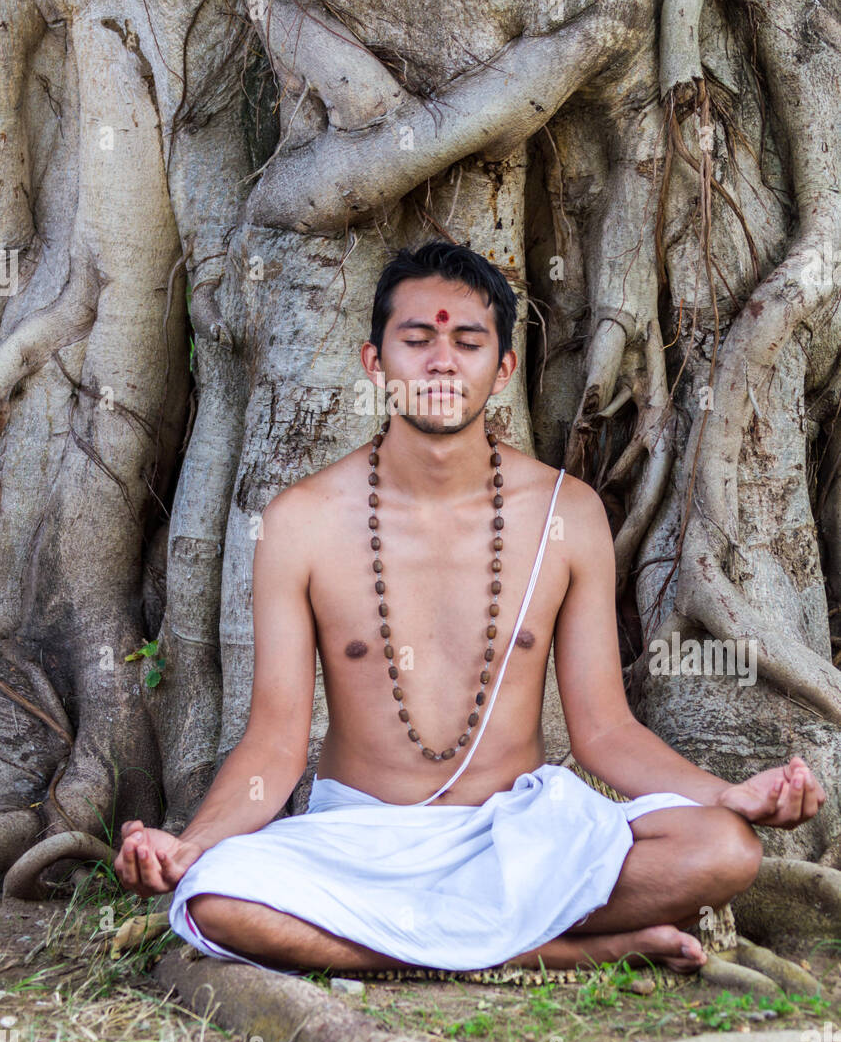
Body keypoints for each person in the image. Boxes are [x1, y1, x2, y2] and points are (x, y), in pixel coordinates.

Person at [115, 241, 826, 976]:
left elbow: (605, 732)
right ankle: (547, 949)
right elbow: (273, 744)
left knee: (723, 850)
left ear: (504, 369)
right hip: (361, 843)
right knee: (212, 903)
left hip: (517, 838)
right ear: (374, 362)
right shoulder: (300, 521)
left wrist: (728, 794)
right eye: (416, 340)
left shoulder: (567, 513)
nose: (441, 362)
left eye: (468, 341)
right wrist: (192, 844)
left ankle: (442, 942)